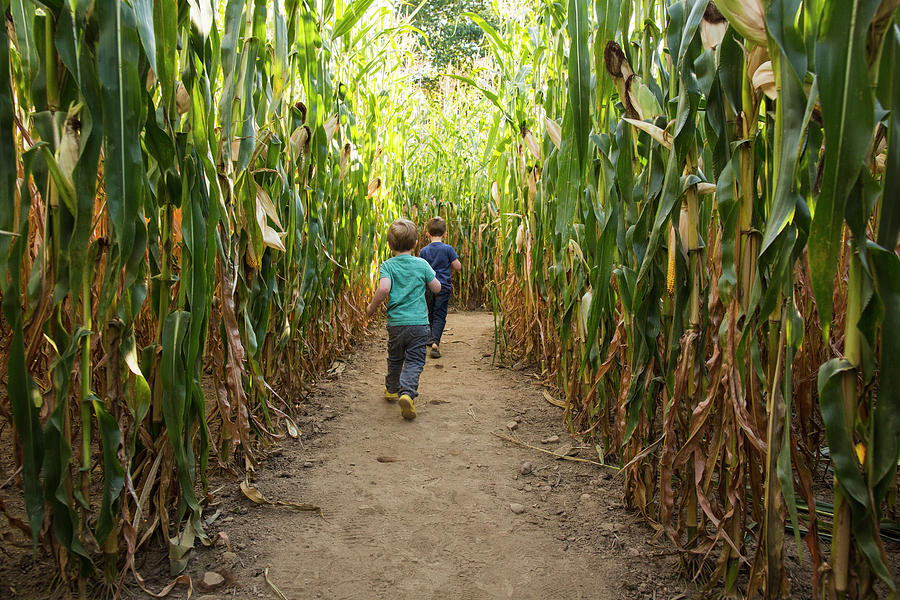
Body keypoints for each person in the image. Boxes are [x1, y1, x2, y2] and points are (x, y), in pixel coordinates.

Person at [366, 218, 442, 420]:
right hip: (419, 325)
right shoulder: (422, 264)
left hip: (397, 324)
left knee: (395, 357)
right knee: (415, 360)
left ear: (389, 245)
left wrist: (372, 307)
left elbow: (384, 289)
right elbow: (437, 287)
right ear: (416, 243)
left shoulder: (388, 265)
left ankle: (391, 389)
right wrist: (431, 282)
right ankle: (407, 393)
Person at [418, 216, 462, 358]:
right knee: (440, 314)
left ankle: (430, 337)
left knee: (430, 312)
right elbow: (457, 266)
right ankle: (435, 343)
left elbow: (420, 269)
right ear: (445, 234)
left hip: (428, 287)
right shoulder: (448, 249)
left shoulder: (424, 251)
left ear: (427, 234)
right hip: (443, 286)